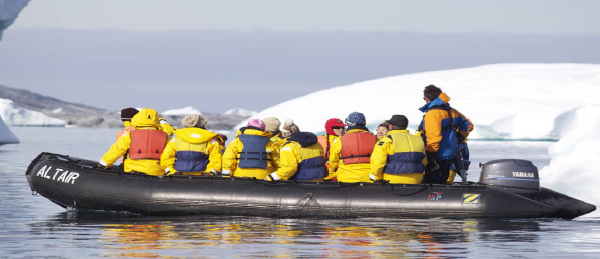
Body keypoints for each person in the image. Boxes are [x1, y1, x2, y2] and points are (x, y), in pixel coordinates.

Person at [417, 85, 473, 184]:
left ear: (426, 98)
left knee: (430, 183)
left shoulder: (432, 114)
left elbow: (434, 137)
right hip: (450, 154)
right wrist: (460, 136)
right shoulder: (452, 112)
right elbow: (468, 124)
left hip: (437, 155)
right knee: (442, 180)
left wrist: (430, 157)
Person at [99, 108, 168, 176]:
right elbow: (171, 155)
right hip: (157, 172)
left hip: (132, 171)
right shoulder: (166, 137)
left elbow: (116, 150)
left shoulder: (129, 135)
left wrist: (103, 164)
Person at [370, 115, 427, 184]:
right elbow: (424, 161)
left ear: (391, 126)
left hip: (392, 181)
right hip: (416, 180)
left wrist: (376, 179)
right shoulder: (418, 140)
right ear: (406, 126)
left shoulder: (386, 141)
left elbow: (378, 162)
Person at [328, 112, 377, 183]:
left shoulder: (339, 140)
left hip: (346, 178)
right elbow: (380, 159)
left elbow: (333, 161)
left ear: (348, 124)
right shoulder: (375, 139)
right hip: (370, 178)